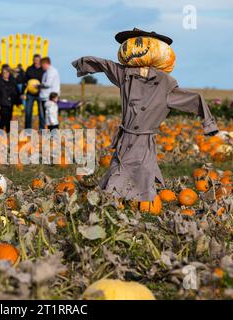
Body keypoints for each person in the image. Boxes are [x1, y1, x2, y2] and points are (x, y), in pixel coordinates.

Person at [72, 28, 219, 202]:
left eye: (141, 43)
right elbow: (105, 64)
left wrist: (208, 123)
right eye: (133, 43)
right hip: (127, 136)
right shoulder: (125, 74)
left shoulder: (165, 83)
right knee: (123, 165)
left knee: (141, 168)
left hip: (144, 138)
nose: (134, 47)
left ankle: (130, 197)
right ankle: (120, 194)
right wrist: (83, 64)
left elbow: (193, 98)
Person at [0, 64, 20, 133]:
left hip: (10, 103)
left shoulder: (12, 81)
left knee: (9, 118)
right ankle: (0, 132)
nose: (6, 74)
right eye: (5, 73)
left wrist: (18, 102)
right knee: (4, 118)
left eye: (8, 73)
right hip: (2, 103)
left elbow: (16, 92)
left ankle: (8, 132)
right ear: (2, 73)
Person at [24, 54, 45, 129]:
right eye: (35, 60)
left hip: (40, 94)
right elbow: (25, 80)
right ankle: (27, 130)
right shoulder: (29, 69)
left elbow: (46, 82)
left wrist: (40, 86)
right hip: (30, 94)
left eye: (38, 60)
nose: (36, 62)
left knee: (41, 113)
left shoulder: (43, 70)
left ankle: (42, 129)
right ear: (33, 60)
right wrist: (25, 85)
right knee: (28, 112)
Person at [40, 57, 61, 131]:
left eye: (42, 64)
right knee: (48, 117)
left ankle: (53, 132)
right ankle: (50, 131)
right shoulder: (47, 72)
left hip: (49, 97)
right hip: (46, 97)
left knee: (51, 116)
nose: (41, 66)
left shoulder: (51, 71)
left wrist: (38, 85)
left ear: (45, 64)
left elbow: (48, 84)